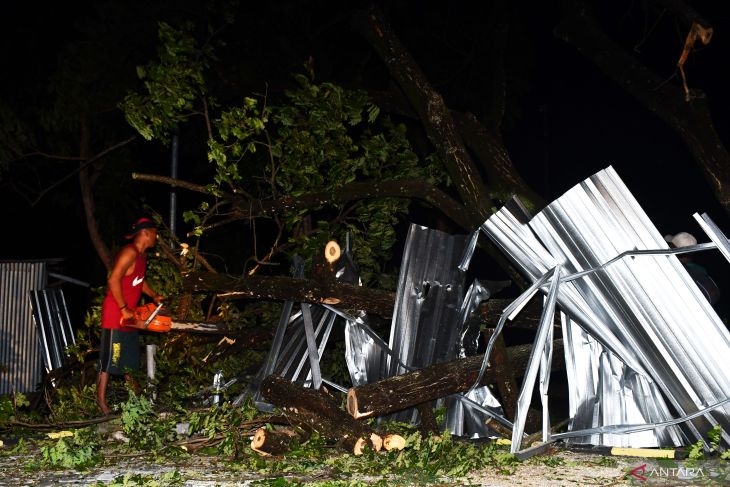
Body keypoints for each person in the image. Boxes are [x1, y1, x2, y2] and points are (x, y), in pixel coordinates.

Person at [97, 217, 164, 415]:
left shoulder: (142, 256)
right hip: (115, 315)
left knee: (130, 360)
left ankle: (136, 400)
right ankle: (101, 402)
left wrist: (153, 295)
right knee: (109, 361)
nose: (156, 236)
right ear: (145, 232)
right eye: (154, 232)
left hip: (130, 316)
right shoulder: (129, 252)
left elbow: (138, 281)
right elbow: (113, 279)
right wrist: (124, 307)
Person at [665, 231, 720, 306]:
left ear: (675, 250)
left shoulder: (674, 268)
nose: (668, 247)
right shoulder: (700, 270)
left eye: (670, 245)